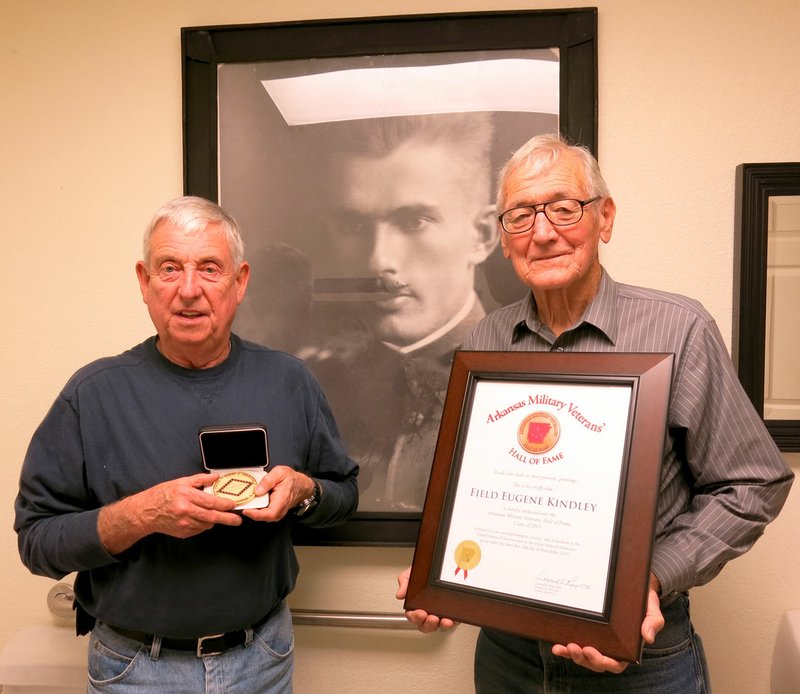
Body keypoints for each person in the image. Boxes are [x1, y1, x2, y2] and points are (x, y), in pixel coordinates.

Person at [396, 134, 793, 692]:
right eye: (520, 215)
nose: (542, 232)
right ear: (502, 240)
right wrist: (441, 572)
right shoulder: (485, 338)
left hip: (642, 657)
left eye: (563, 208)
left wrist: (648, 578)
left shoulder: (680, 329)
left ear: (603, 218)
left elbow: (755, 482)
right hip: (510, 657)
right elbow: (474, 482)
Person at [15, 196, 359, 693]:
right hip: (134, 669)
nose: (189, 290)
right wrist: (143, 514)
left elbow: (344, 492)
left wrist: (306, 490)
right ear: (144, 281)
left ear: (239, 282)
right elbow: (37, 542)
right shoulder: (93, 394)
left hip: (262, 658)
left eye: (210, 269)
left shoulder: (289, 380)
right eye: (170, 268)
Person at [297, 113, 502, 511]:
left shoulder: (524, 374)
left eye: (413, 222)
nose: (377, 261)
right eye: (354, 226)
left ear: (481, 236)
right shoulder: (313, 378)